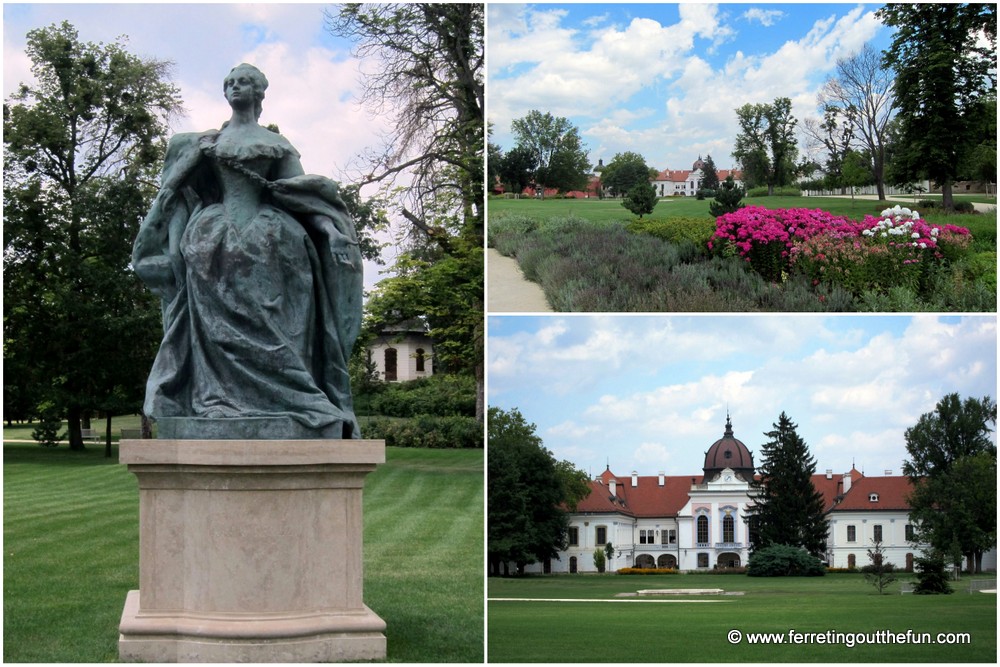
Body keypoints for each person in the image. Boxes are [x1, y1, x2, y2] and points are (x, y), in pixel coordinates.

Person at [132, 64, 362, 439]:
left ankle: (290, 399)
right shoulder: (205, 143)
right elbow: (174, 194)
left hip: (274, 242)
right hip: (212, 243)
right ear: (225, 93)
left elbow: (300, 197)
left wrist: (331, 231)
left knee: (279, 323)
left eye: (244, 82)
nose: (236, 87)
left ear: (259, 93)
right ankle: (216, 397)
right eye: (231, 83)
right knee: (215, 327)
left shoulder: (278, 144)